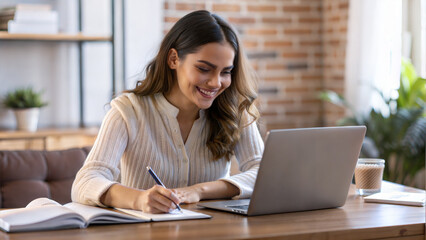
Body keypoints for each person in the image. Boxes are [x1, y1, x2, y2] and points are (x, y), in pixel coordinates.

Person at [71, 10, 264, 214]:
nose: (216, 83)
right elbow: (85, 182)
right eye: (204, 69)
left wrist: (198, 191)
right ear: (173, 59)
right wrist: (139, 199)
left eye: (226, 72)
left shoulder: (234, 111)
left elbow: (264, 173)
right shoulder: (128, 111)